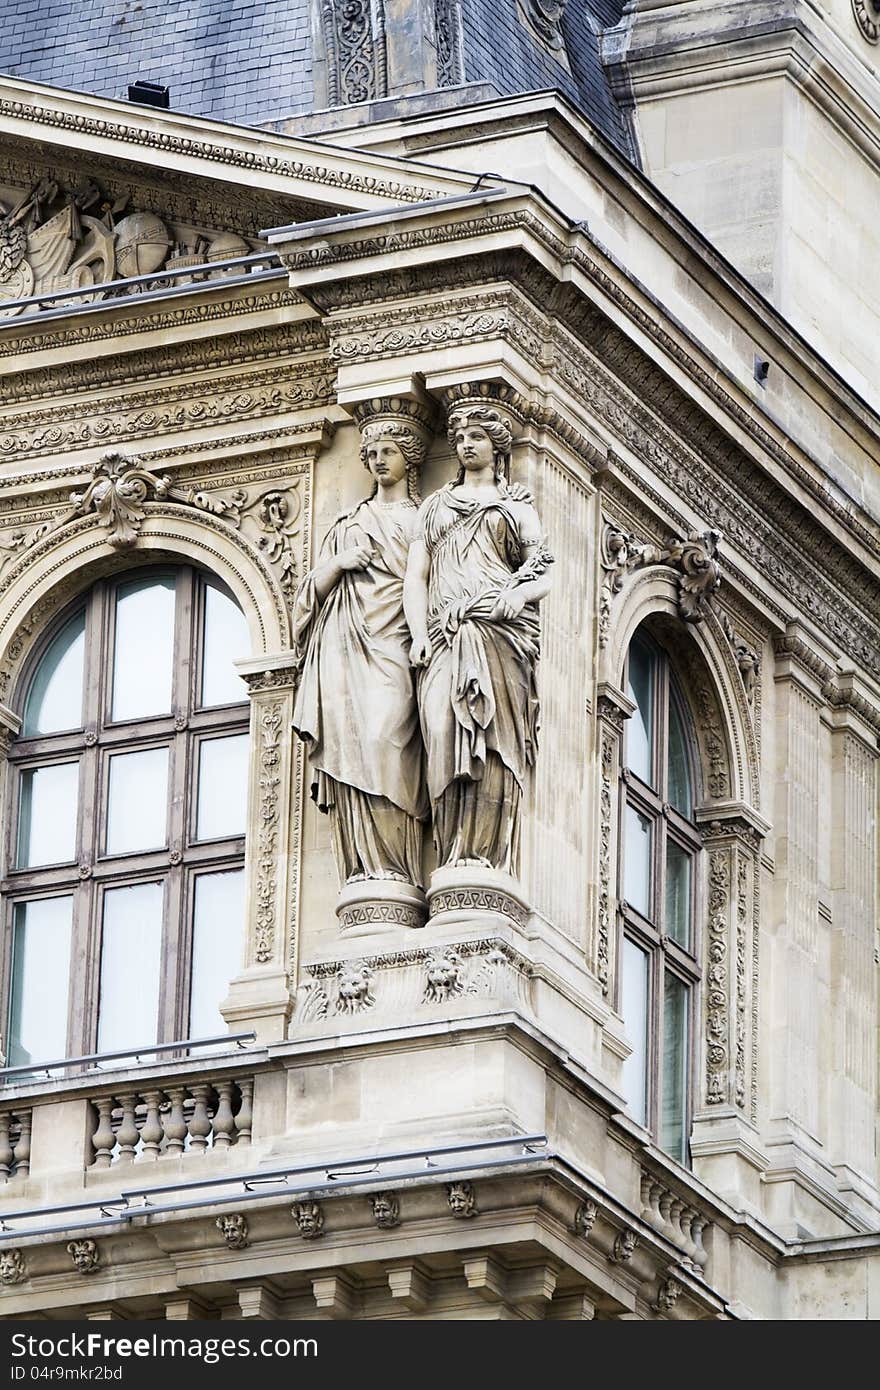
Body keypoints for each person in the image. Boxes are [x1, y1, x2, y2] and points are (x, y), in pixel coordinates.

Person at [404, 400, 553, 873]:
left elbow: (544, 570)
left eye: (477, 438)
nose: (467, 445)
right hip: (445, 634)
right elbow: (416, 576)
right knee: (444, 732)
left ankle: (481, 855)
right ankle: (450, 850)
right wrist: (417, 635)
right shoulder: (435, 508)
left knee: (493, 740)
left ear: (496, 447)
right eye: (461, 438)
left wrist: (521, 593)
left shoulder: (516, 507)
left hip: (498, 632)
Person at [292, 416, 429, 888]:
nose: (376, 461)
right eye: (369, 455)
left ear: (408, 457)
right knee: (354, 746)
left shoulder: (424, 520)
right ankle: (367, 871)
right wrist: (339, 562)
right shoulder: (349, 523)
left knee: (387, 741)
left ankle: (396, 869)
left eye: (386, 452)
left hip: (397, 644)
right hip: (345, 651)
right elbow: (306, 601)